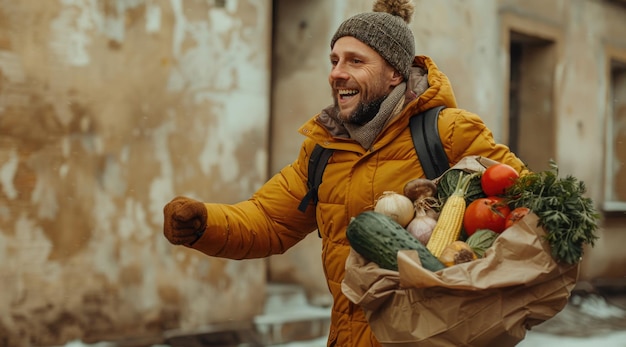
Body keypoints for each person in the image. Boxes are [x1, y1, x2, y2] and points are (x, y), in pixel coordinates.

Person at [163, 0, 527, 345]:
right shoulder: (324, 147)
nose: (337, 73)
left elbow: (529, 201)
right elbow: (270, 220)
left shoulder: (447, 132)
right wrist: (204, 223)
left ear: (393, 73)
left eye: (355, 61)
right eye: (335, 60)